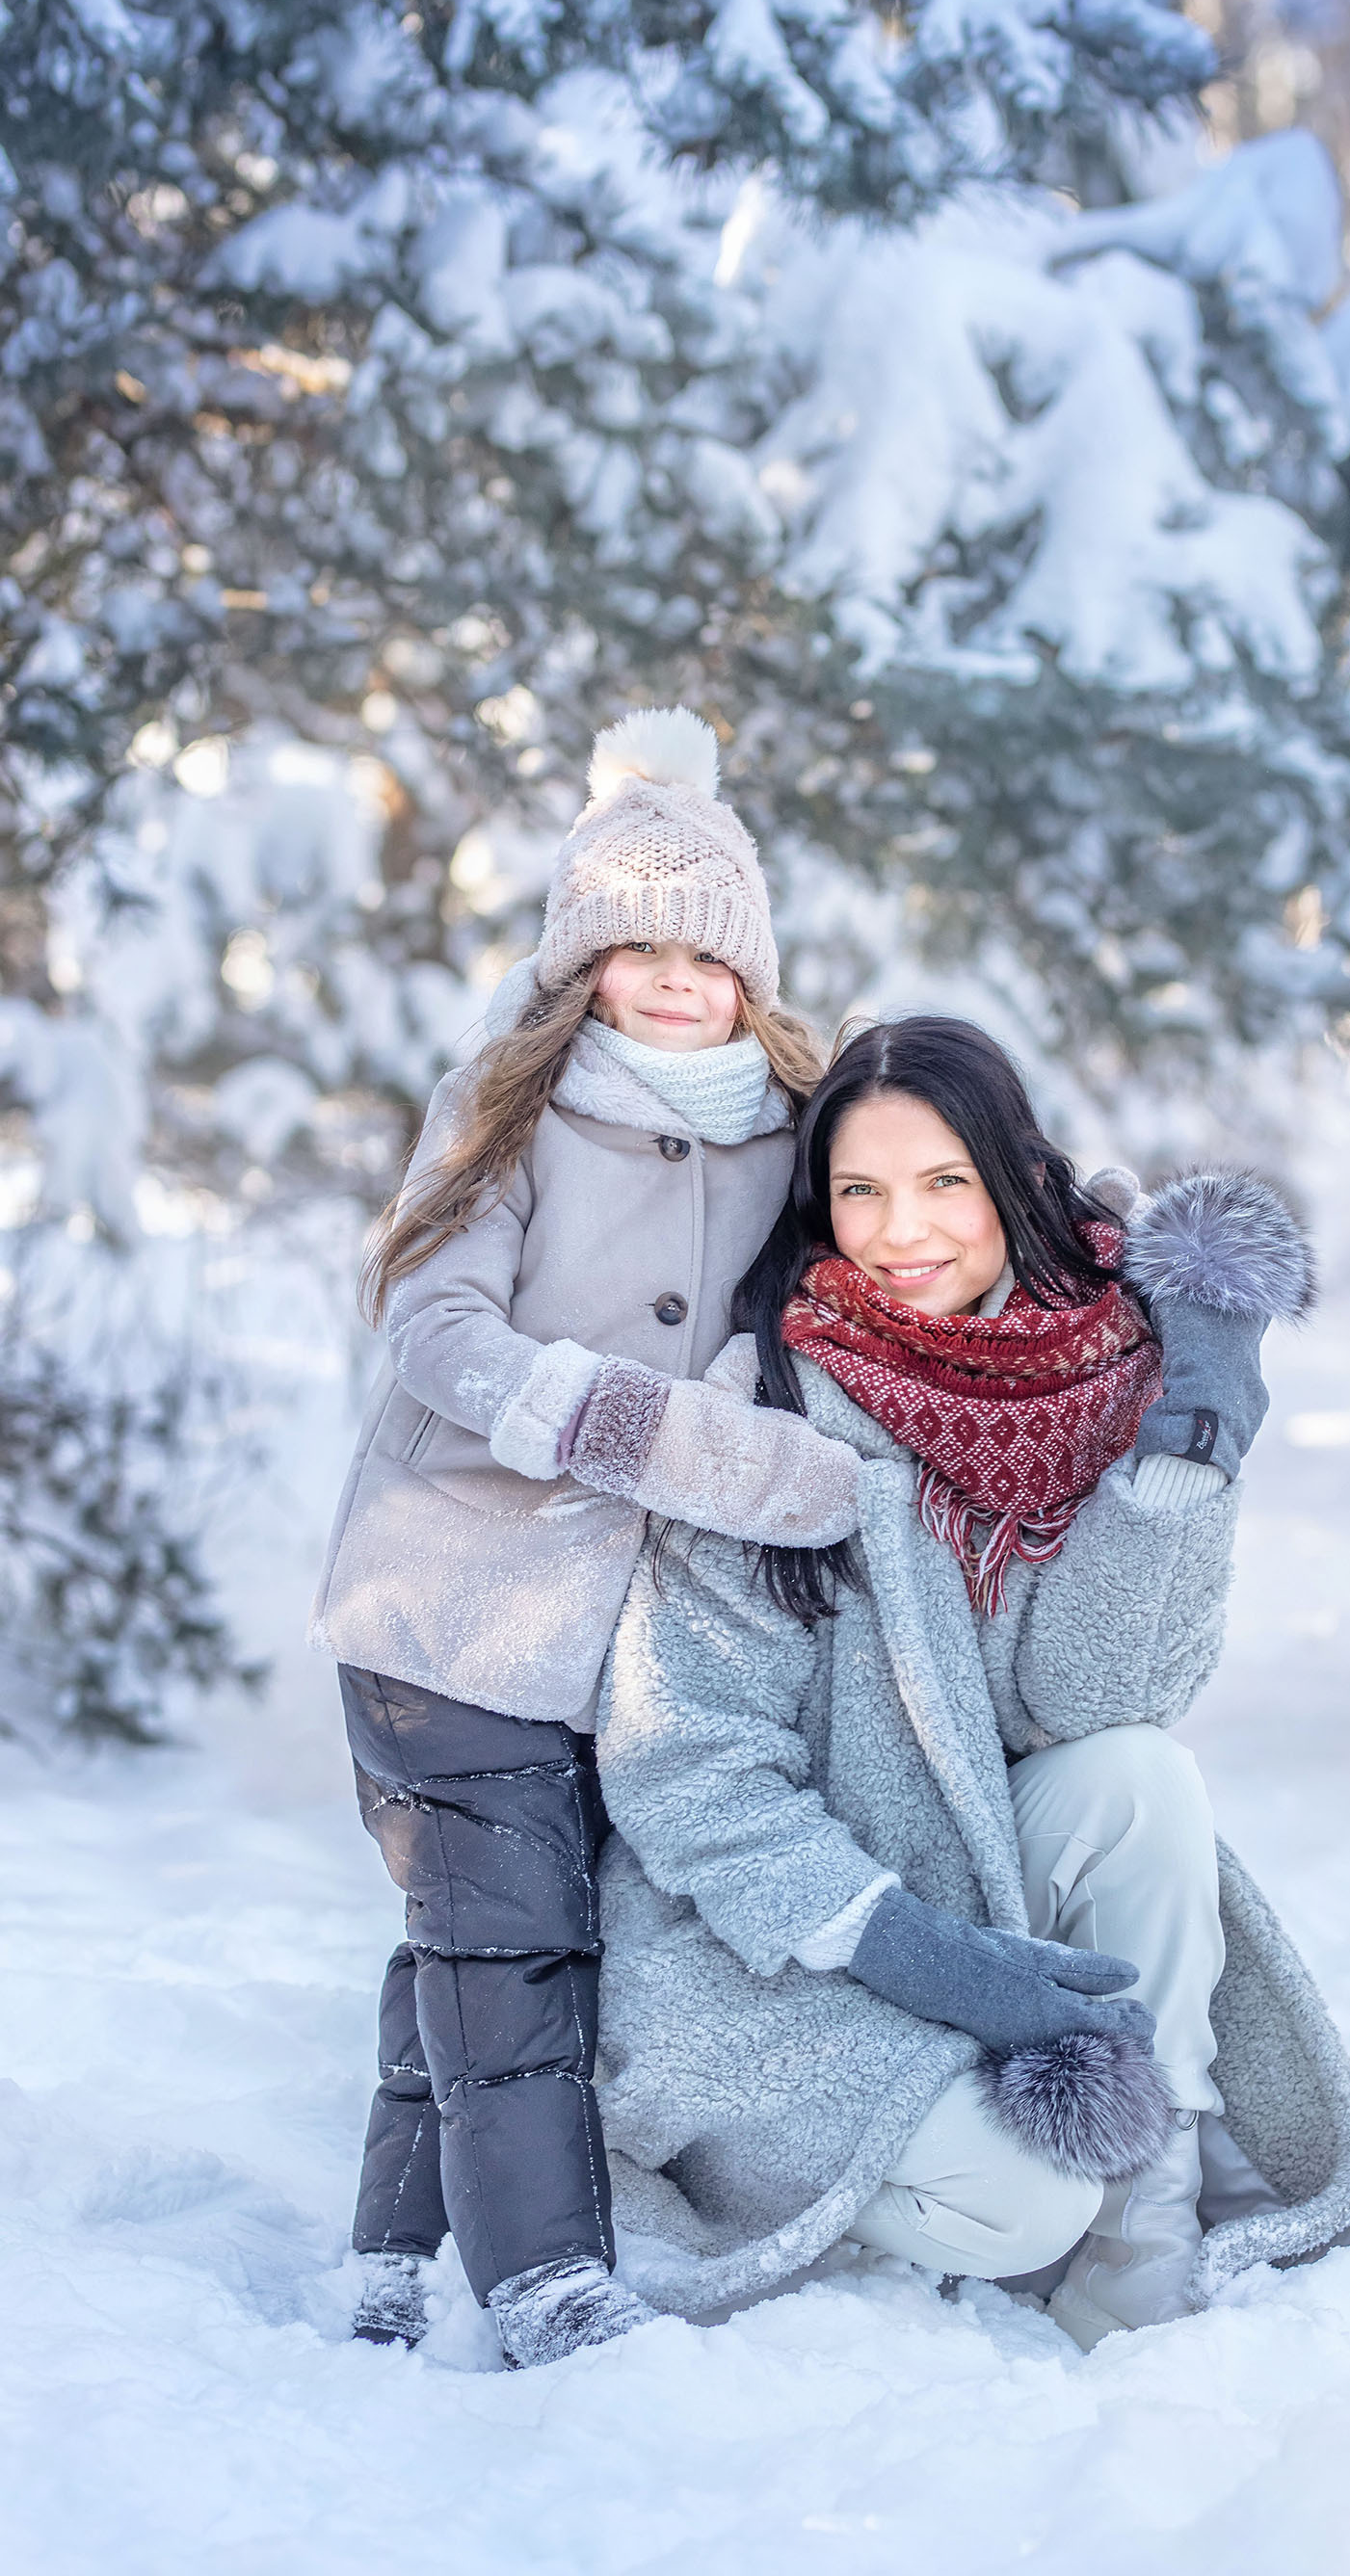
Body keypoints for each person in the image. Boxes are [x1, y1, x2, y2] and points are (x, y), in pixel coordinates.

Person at [592, 1014, 1350, 2348]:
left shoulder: (1112, 1371)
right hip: (776, 1937)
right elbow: (685, 1761)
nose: (901, 1232)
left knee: (1140, 1777)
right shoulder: (767, 1408)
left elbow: (1088, 1703)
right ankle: (920, 2194)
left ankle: (1143, 2233)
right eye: (861, 1190)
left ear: (1012, 1177)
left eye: (944, 1181)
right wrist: (911, 1951)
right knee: (1019, 2203)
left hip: (973, 1869)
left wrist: (1181, 1460)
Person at [311, 707, 860, 2369]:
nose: (676, 980)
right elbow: (441, 1332)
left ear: (752, 972)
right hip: (448, 1606)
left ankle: (392, 2253)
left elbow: (933, 1206)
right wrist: (655, 1433)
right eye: (639, 949)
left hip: (628, 1636)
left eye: (709, 954)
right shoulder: (512, 1104)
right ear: (583, 963)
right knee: (513, 1935)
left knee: (477, 1930)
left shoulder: (801, 1129)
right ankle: (547, 2281)